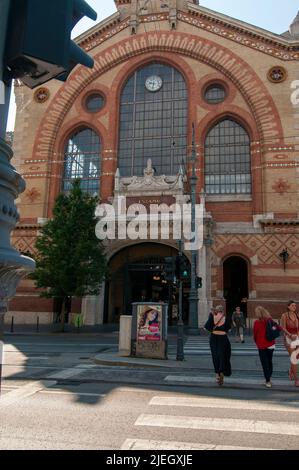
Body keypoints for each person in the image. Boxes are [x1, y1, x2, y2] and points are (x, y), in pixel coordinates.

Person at [253, 306, 286, 388]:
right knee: (269, 361)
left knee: (264, 363)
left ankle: (268, 381)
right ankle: (269, 377)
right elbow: (278, 328)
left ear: (258, 313)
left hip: (261, 345)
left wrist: (257, 342)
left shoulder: (256, 322)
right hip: (271, 344)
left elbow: (255, 335)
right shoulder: (270, 320)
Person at [204, 305, 232, 386]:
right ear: (222, 311)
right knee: (223, 355)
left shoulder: (212, 317)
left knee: (215, 356)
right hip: (223, 338)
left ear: (216, 310)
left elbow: (206, 328)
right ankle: (222, 371)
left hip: (214, 338)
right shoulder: (225, 318)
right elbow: (229, 329)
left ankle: (217, 374)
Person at [280, 301, 299, 387]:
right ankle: (296, 379)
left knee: (297, 357)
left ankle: (290, 370)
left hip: (297, 338)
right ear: (288, 307)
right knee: (294, 358)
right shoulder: (285, 315)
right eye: (292, 305)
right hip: (289, 338)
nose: (294, 306)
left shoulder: (297, 315)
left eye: (295, 305)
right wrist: (290, 335)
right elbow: (282, 327)